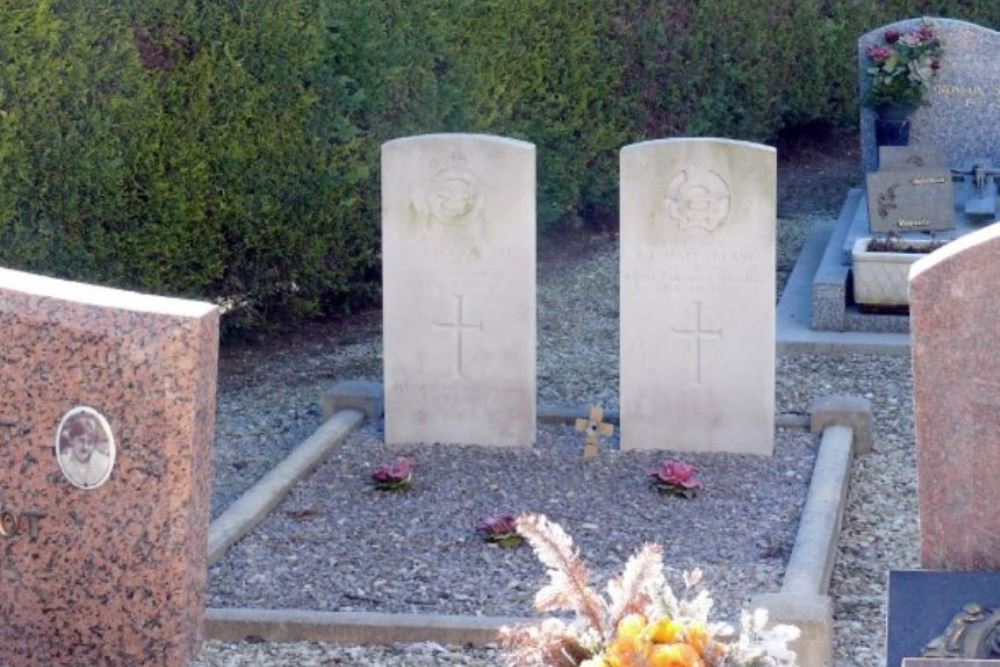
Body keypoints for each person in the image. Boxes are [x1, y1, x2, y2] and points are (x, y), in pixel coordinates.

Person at [58, 411, 113, 488]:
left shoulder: (103, 464)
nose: (85, 447)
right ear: (71, 440)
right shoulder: (64, 462)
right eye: (81, 440)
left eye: (90, 442)